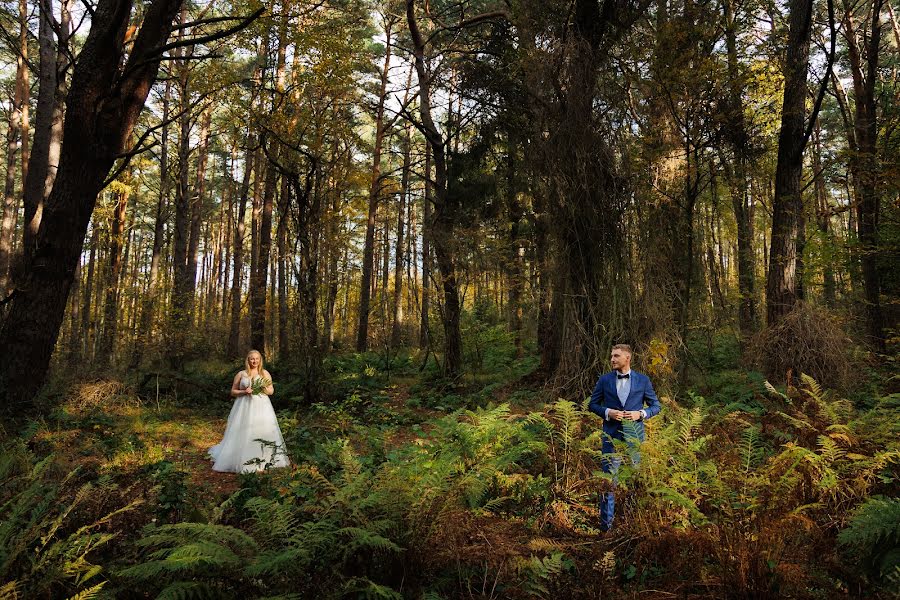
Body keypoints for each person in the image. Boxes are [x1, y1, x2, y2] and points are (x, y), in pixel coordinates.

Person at [588, 344, 661, 531]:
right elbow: (593, 404)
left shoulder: (643, 381)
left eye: (616, 356)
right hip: (611, 440)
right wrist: (607, 412)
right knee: (609, 483)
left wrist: (641, 414)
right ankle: (606, 529)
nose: (612, 359)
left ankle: (634, 526)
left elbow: (656, 406)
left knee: (635, 482)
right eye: (611, 356)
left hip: (634, 440)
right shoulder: (604, 380)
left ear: (627, 358)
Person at [209, 349, 290, 473]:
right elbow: (233, 391)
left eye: (257, 358)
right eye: (252, 358)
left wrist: (263, 387)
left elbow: (271, 391)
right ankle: (240, 459)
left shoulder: (264, 373)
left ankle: (265, 459)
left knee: (262, 429)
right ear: (248, 360)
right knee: (242, 430)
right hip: (244, 406)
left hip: (262, 406)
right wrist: (243, 392)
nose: (255, 361)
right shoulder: (241, 374)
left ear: (260, 360)